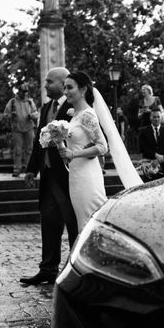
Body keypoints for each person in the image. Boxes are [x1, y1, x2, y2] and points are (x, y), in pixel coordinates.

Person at [21, 67, 78, 286]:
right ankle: (48, 269)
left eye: (49, 82)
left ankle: (74, 269)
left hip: (67, 175)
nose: (45, 85)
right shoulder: (45, 108)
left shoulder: (75, 106)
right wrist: (30, 169)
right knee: (49, 223)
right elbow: (38, 141)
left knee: (73, 225)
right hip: (47, 176)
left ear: (63, 83)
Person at [57, 72, 108, 231]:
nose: (65, 92)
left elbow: (102, 146)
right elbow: (78, 143)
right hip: (75, 174)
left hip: (87, 176)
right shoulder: (75, 114)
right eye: (64, 87)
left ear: (83, 89)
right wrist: (59, 144)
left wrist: (73, 154)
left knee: (91, 221)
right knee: (83, 221)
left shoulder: (87, 114)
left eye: (70, 87)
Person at [4, 83, 38, 177]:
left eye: (26, 92)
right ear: (19, 91)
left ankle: (29, 169)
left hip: (29, 128)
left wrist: (32, 115)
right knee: (18, 150)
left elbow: (35, 112)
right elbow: (5, 114)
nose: (25, 94)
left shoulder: (30, 101)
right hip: (17, 128)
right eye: (23, 92)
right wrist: (11, 115)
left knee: (29, 150)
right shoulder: (12, 102)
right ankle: (17, 169)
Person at [138, 109, 164, 177]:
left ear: (161, 118)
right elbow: (142, 148)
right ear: (150, 118)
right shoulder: (143, 131)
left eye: (158, 117)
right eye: (154, 117)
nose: (156, 119)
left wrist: (159, 159)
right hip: (149, 166)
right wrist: (155, 155)